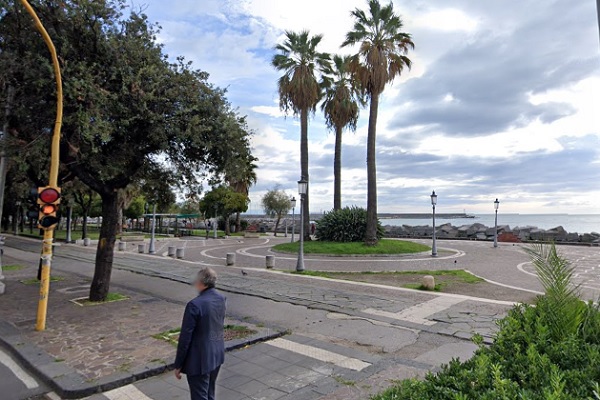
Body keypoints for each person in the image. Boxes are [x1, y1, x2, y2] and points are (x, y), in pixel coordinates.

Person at [174, 268, 226, 400]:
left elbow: (185, 338)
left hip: (199, 360)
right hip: (216, 354)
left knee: (200, 396)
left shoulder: (194, 305)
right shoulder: (221, 298)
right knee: (209, 393)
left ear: (202, 283)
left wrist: (178, 364)